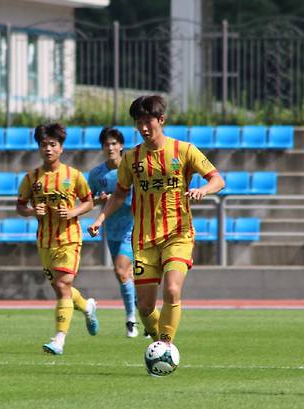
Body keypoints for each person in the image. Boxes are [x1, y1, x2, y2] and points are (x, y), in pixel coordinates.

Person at [88, 95, 225, 348]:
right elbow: (119, 194)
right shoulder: (131, 158)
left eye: (147, 121)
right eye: (138, 122)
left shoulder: (184, 150)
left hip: (178, 233)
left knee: (172, 290)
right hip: (144, 239)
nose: (143, 128)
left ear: (161, 120)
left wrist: (203, 190)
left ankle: (166, 346)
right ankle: (159, 343)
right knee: (146, 308)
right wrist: (100, 218)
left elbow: (217, 179)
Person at [16, 123, 99, 355]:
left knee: (63, 285)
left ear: (61, 148)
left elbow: (89, 201)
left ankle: (59, 340)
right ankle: (87, 305)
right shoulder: (32, 178)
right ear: (39, 148)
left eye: (53, 145)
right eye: (44, 145)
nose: (48, 149)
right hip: (44, 241)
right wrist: (32, 211)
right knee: (59, 287)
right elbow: (20, 206)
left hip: (69, 238)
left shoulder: (74, 176)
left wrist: (73, 212)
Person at [87, 127, 138, 338]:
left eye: (114, 143)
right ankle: (143, 311)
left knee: (120, 270)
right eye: (107, 144)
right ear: (102, 147)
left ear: (121, 146)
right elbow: (87, 200)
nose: (110, 147)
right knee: (125, 275)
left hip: (132, 227)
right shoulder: (97, 174)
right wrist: (99, 200)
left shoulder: (131, 170)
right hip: (111, 229)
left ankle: (130, 320)